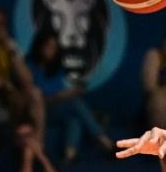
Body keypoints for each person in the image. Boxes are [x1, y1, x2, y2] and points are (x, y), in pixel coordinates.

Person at [28, 29, 114, 162]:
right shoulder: (30, 67)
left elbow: (61, 90)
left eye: (54, 47)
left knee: (74, 117)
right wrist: (62, 95)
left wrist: (70, 92)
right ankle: (104, 141)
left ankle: (70, 154)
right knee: (74, 104)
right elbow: (38, 98)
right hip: (39, 112)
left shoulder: (57, 69)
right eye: (48, 46)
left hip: (58, 109)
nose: (51, 50)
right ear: (39, 45)